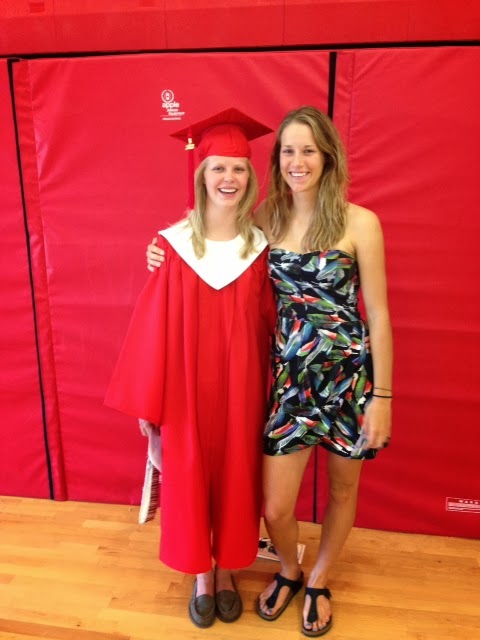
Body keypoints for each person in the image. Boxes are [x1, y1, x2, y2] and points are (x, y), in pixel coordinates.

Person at [146, 105, 393, 637]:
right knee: (276, 507)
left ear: (328, 156)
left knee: (342, 491)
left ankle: (319, 581)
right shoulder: (267, 220)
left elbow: (378, 313)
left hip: (348, 380)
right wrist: (159, 251)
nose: (298, 161)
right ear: (277, 160)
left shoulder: (360, 222)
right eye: (288, 151)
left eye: (309, 150)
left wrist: (384, 397)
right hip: (289, 385)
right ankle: (288, 570)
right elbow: (214, 233)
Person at [106, 108, 276, 629]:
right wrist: (149, 400)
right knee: (189, 476)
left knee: (238, 475)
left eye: (239, 168)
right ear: (200, 174)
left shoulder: (261, 248)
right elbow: (153, 326)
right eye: (218, 167)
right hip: (184, 393)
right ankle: (202, 573)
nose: (229, 177)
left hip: (243, 392)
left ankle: (227, 570)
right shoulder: (173, 246)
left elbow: (272, 325)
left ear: (250, 177)